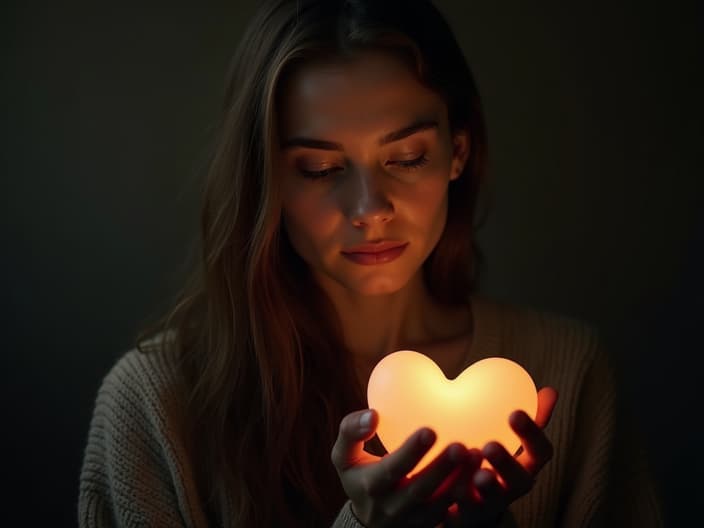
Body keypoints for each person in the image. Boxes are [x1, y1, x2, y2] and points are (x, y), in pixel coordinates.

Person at [78, 0, 664, 526]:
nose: (369, 210)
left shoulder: (570, 372)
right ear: (269, 179)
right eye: (320, 169)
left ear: (456, 153)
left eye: (407, 158)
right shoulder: (159, 407)